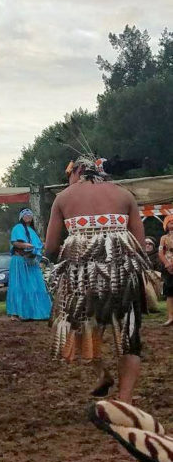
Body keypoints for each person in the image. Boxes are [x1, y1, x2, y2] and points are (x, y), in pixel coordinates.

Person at [45, 156, 151, 403]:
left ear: (79, 171)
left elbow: (50, 247)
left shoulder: (63, 198)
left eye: (70, 173)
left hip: (81, 276)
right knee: (129, 339)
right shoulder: (125, 196)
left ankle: (102, 374)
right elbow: (140, 245)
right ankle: (124, 400)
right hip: (123, 273)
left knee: (79, 327)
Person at [7, 209, 52, 321]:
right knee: (19, 285)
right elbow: (15, 242)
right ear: (21, 217)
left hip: (31, 262)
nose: (28, 216)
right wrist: (26, 245)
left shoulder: (32, 230)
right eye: (25, 214)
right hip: (20, 260)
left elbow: (38, 245)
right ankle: (15, 313)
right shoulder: (18, 228)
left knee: (35, 285)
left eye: (30, 215)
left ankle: (34, 312)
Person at [158, 217, 173, 327]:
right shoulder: (163, 238)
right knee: (169, 293)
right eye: (170, 222)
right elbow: (160, 253)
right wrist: (167, 264)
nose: (172, 223)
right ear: (166, 225)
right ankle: (170, 317)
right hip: (168, 267)